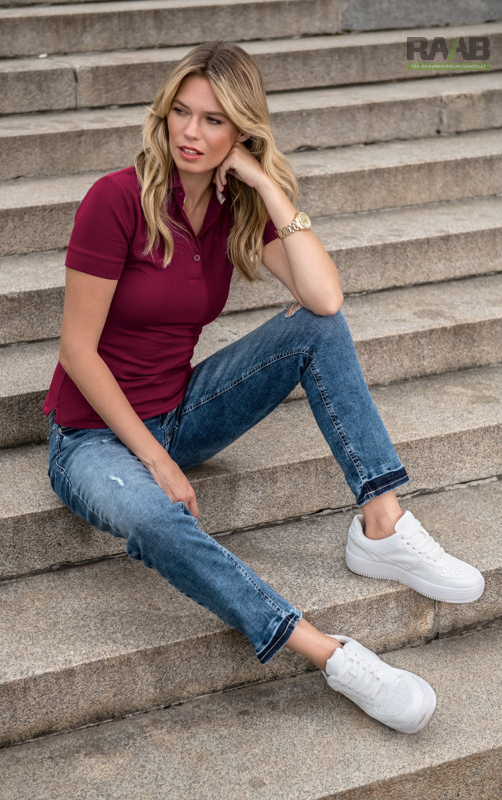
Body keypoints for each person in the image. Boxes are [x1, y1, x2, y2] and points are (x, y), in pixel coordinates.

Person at [44, 41, 484, 735]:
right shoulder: (117, 200)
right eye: (181, 113)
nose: (190, 132)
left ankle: (383, 524)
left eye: (214, 120)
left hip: (179, 413)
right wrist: (155, 462)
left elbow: (324, 299)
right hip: (92, 439)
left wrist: (267, 187)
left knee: (315, 328)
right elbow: (77, 350)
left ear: (242, 131)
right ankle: (333, 654)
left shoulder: (231, 208)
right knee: (156, 519)